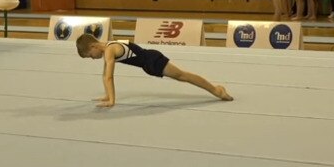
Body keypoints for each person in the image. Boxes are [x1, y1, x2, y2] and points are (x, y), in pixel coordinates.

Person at [75, 34, 233, 108]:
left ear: (93, 47)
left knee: (183, 76)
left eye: (90, 56)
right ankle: (217, 90)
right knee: (182, 77)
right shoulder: (109, 44)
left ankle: (218, 91)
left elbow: (109, 77)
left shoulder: (109, 51)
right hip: (149, 62)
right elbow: (105, 74)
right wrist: (107, 95)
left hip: (152, 60)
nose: (92, 58)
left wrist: (112, 101)